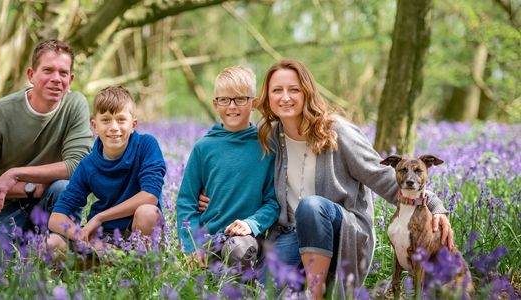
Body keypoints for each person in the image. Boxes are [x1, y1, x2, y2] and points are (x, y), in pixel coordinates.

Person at [200, 59, 454, 299]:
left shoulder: (337, 132)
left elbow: (383, 178)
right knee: (269, 290)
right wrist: (217, 197)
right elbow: (247, 175)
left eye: (294, 90)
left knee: (311, 206)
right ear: (268, 96)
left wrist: (434, 205)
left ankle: (316, 293)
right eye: (277, 90)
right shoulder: (271, 135)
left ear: (307, 93)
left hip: (339, 230)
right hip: (291, 233)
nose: (285, 97)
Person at [0, 39, 93, 241]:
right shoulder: (0, 113)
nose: (56, 79)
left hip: (53, 202)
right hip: (5, 208)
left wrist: (15, 173)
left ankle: (66, 249)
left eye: (63, 73)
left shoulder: (75, 105)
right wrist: (32, 189)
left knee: (64, 188)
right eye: (48, 70)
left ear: (71, 79)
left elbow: (78, 166)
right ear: (31, 75)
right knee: (3, 267)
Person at [176, 66, 279, 269]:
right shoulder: (203, 148)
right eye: (224, 100)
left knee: (239, 252)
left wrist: (251, 224)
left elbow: (273, 202)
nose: (232, 106)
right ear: (215, 104)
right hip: (207, 239)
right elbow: (186, 201)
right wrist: (191, 246)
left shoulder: (266, 147)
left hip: (245, 240)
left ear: (254, 103)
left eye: (240, 99)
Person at [46, 86, 166, 253]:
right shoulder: (88, 165)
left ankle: (143, 267)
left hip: (137, 232)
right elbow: (56, 218)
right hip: (102, 236)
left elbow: (150, 196)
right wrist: (82, 235)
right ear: (94, 126)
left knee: (147, 213)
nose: (114, 127)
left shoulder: (146, 146)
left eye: (121, 120)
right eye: (106, 120)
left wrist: (100, 217)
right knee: (52, 243)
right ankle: (105, 259)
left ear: (133, 125)